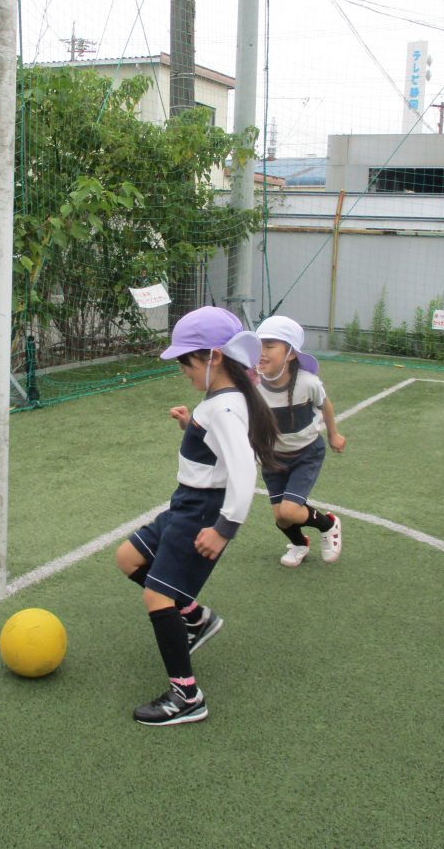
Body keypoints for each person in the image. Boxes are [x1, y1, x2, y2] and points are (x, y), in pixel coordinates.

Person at [115, 306, 280, 726]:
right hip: (185, 502)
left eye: (186, 362)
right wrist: (193, 426)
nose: (183, 371)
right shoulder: (220, 401)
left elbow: (243, 470)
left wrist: (223, 529)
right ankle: (196, 618)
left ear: (213, 357)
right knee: (128, 559)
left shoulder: (224, 407)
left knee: (157, 596)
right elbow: (218, 452)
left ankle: (186, 697)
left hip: (202, 511)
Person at [253, 315, 346, 567]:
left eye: (270, 346)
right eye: (259, 345)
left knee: (290, 511)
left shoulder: (308, 382)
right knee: (282, 519)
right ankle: (299, 543)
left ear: (291, 353)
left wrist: (333, 434)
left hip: (305, 454)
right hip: (272, 457)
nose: (262, 352)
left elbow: (325, 404)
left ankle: (328, 524)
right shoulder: (253, 383)